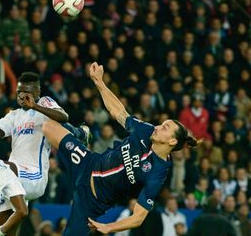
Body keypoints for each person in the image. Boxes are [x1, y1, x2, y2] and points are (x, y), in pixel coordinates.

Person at [41, 62, 199, 235]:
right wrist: (99, 83)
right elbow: (119, 112)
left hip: (91, 201)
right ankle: (81, 135)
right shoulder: (146, 130)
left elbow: (138, 217)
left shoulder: (158, 173)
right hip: (86, 162)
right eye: (162, 123)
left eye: (165, 128)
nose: (158, 126)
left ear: (172, 142)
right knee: (48, 126)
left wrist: (109, 227)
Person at [0, 72, 75, 235]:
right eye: (19, 92)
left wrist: (35, 106)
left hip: (34, 176)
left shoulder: (45, 104)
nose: (22, 96)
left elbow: (63, 117)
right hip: (14, 176)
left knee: (3, 167)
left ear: (37, 92)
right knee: (6, 218)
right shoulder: (14, 115)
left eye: (26, 92)